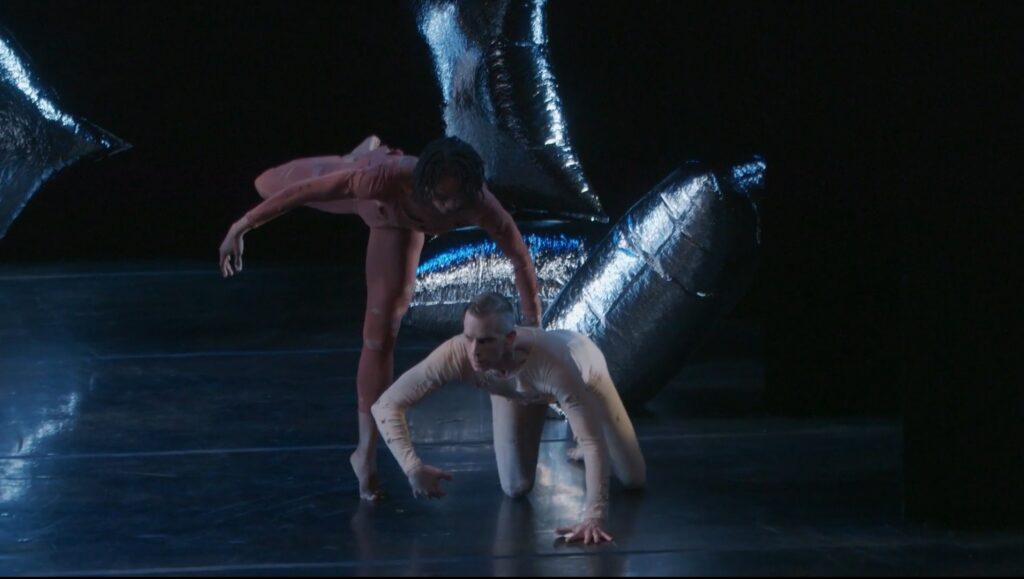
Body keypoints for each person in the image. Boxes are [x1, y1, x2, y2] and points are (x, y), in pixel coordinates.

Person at [218, 136, 543, 501]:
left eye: (459, 201)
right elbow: (298, 194)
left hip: (396, 226)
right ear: (422, 186)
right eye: (443, 198)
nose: (452, 208)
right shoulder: (383, 179)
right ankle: (360, 153)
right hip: (372, 193)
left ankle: (365, 454)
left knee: (380, 332)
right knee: (268, 184)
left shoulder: (480, 204)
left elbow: (520, 259)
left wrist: (533, 322)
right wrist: (240, 227)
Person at [372, 292, 646, 544]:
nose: (474, 352)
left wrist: (593, 517)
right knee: (515, 487)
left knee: (633, 478)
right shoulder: (457, 354)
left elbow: (592, 441)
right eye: (468, 338)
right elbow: (385, 405)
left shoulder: (556, 365)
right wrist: (412, 467)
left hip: (584, 369)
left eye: (486, 341)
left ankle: (592, 455)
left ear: (510, 339)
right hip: (514, 391)